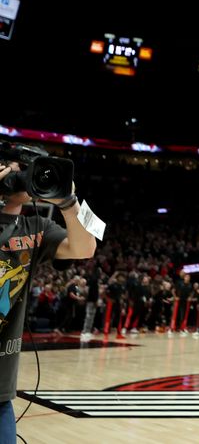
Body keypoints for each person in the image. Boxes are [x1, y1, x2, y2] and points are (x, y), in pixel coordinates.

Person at [0, 160, 96, 441]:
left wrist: (68, 202)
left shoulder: (35, 227)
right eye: (11, 168)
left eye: (25, 170)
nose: (20, 176)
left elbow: (85, 247)